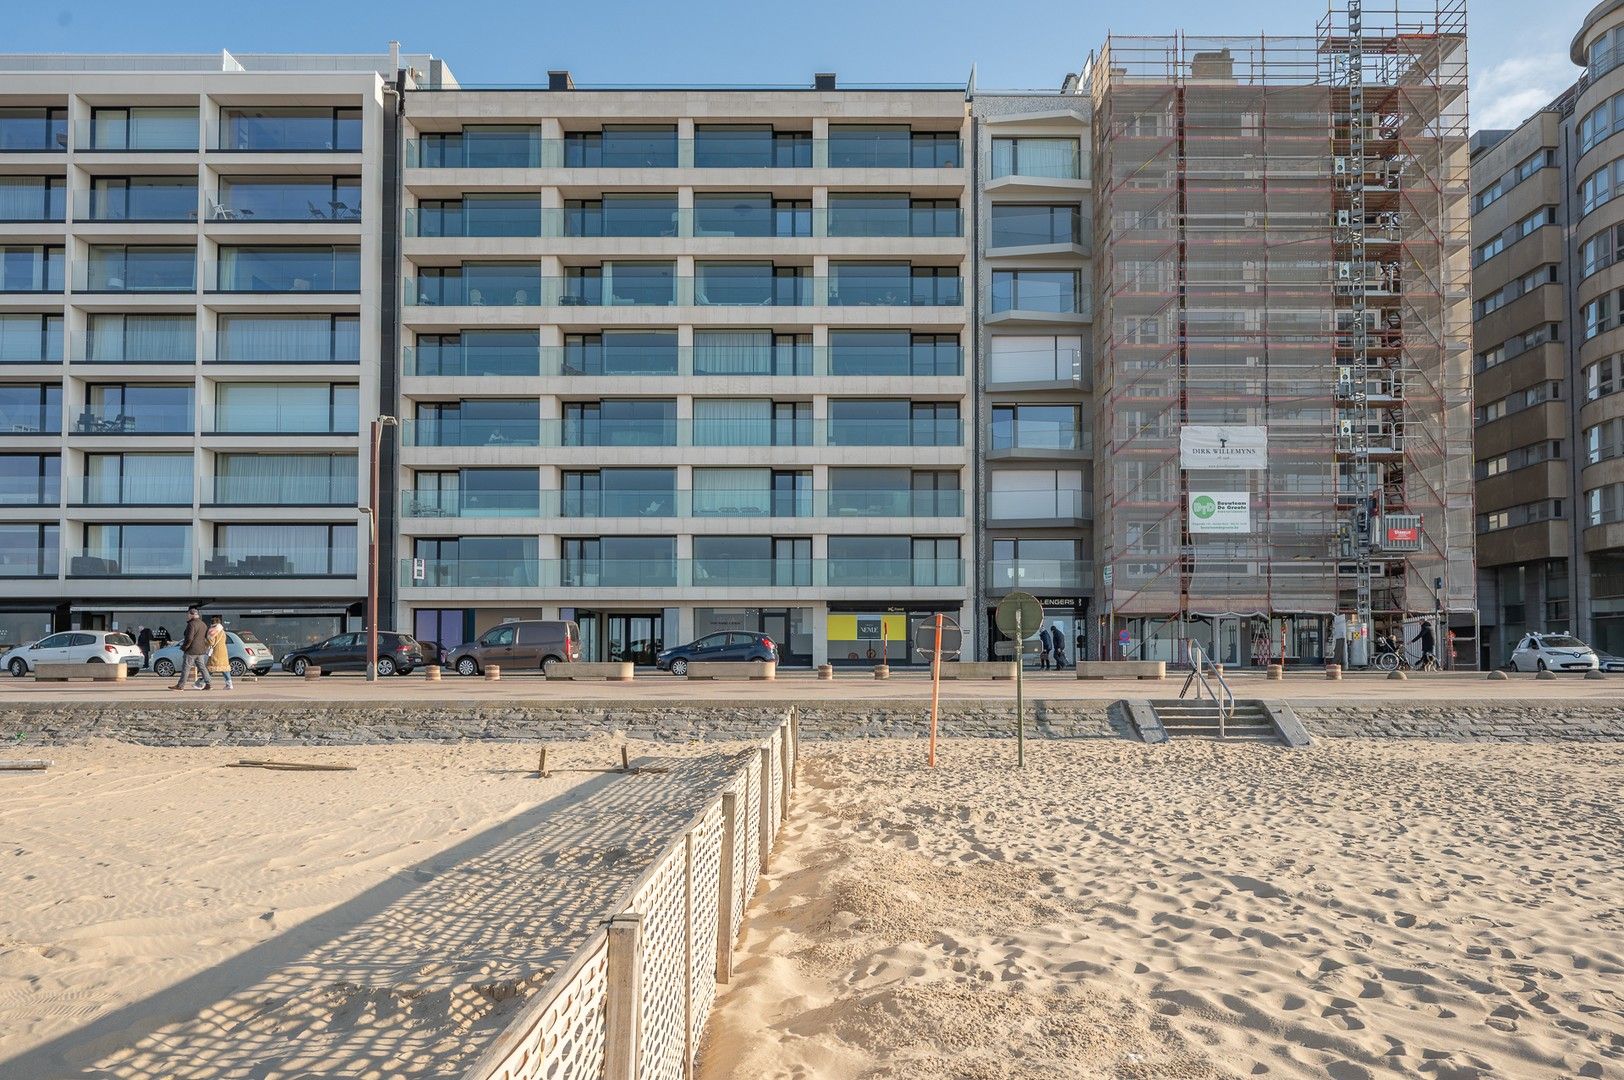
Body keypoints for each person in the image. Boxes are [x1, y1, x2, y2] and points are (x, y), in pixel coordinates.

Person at [170, 607, 210, 691]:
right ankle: (208, 684)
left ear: (192, 615)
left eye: (188, 614)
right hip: (201, 650)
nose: (187, 616)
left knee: (186, 667)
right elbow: (206, 637)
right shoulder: (203, 624)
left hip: (191, 650)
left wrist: (185, 647)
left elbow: (189, 638)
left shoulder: (191, 624)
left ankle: (180, 686)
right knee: (202, 667)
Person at [206, 615, 234, 690]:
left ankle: (204, 683)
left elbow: (211, 642)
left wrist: (207, 639)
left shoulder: (213, 631)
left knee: (210, 668)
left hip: (216, 652)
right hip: (223, 652)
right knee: (224, 668)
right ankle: (229, 684)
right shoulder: (222, 631)